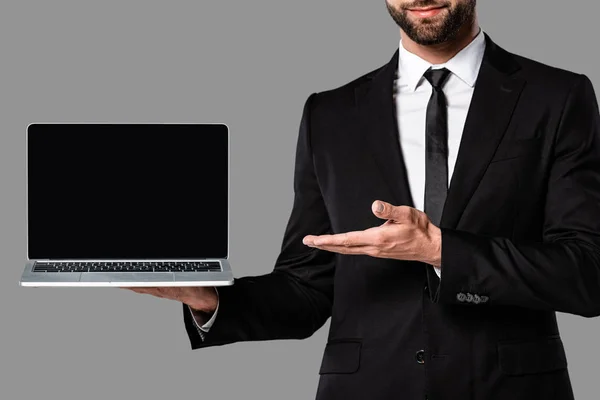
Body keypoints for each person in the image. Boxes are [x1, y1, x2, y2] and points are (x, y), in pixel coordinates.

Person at [125, 0, 600, 399]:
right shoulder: (328, 115)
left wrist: (441, 251)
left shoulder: (557, 97)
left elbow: (587, 272)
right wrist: (209, 300)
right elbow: (308, 287)